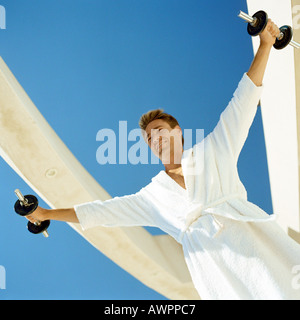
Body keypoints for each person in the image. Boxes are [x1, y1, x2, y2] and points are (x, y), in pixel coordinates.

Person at [26, 19, 300, 300]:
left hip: (251, 237)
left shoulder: (214, 150)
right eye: (148, 139)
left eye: (158, 131)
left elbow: (242, 103)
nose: (154, 139)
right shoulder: (152, 197)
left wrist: (265, 45)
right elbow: (101, 212)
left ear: (177, 131)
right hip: (212, 264)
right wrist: (47, 214)